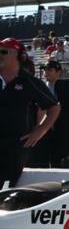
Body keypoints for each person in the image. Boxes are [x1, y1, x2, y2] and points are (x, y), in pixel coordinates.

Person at [0, 38, 60, 189]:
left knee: (3, 188)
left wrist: (39, 131)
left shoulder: (29, 82)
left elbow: (54, 107)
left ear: (20, 56)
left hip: (15, 146)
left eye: (4, 52)